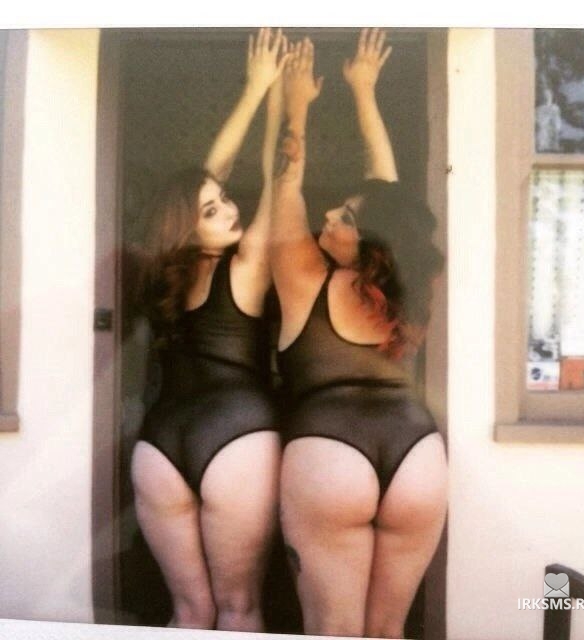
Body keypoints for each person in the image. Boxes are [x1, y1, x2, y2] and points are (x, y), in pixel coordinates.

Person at [271, 29, 448, 638]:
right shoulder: (412, 291)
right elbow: (386, 195)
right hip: (418, 456)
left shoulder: (303, 278)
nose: (328, 216)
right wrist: (365, 92)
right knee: (388, 633)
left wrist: (296, 106)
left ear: (370, 240)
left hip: (330, 452)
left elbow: (285, 185)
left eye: (345, 217)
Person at [130, 28, 287, 631]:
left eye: (224, 200)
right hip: (236, 436)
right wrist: (275, 99)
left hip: (159, 446)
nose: (229, 209)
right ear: (190, 227)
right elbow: (276, 179)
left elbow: (202, 180)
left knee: (189, 613)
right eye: (213, 211)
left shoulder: (160, 277)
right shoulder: (244, 269)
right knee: (239, 609)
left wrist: (253, 88)